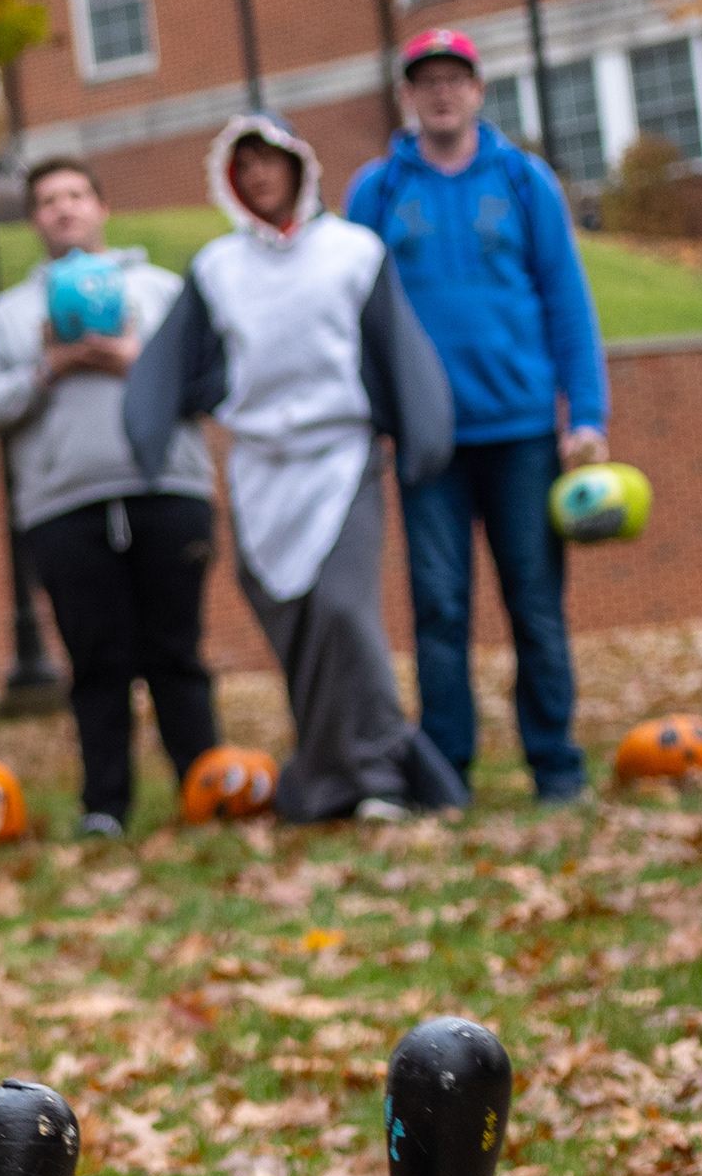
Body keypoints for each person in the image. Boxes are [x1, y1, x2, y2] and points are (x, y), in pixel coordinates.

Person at [122, 115, 465, 825]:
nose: (258, 176)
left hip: (342, 461)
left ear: (297, 167)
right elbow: (172, 361)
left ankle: (380, 777)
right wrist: (147, 435)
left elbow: (397, 346)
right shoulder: (218, 269)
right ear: (230, 179)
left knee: (344, 612)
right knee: (297, 628)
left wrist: (424, 436)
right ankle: (331, 779)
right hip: (259, 470)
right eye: (243, 166)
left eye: (268, 161)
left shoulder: (353, 253)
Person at [344, 29, 612, 805]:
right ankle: (445, 775)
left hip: (523, 432)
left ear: (477, 88)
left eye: (454, 78)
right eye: (425, 80)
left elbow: (568, 301)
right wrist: (371, 415)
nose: (441, 92)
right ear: (407, 95)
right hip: (428, 443)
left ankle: (556, 767)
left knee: (534, 605)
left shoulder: (525, 181)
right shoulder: (378, 190)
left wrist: (585, 412)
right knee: (438, 609)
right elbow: (355, 313)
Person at [0, 157, 211, 837]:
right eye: (47, 201)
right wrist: (47, 369)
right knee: (96, 661)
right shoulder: (10, 315)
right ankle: (106, 806)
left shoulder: (161, 292)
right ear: (35, 220)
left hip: (167, 491)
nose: (62, 209)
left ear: (100, 206)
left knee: (176, 652)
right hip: (63, 508)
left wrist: (135, 362)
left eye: (74, 195)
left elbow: (213, 381)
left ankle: (207, 787)